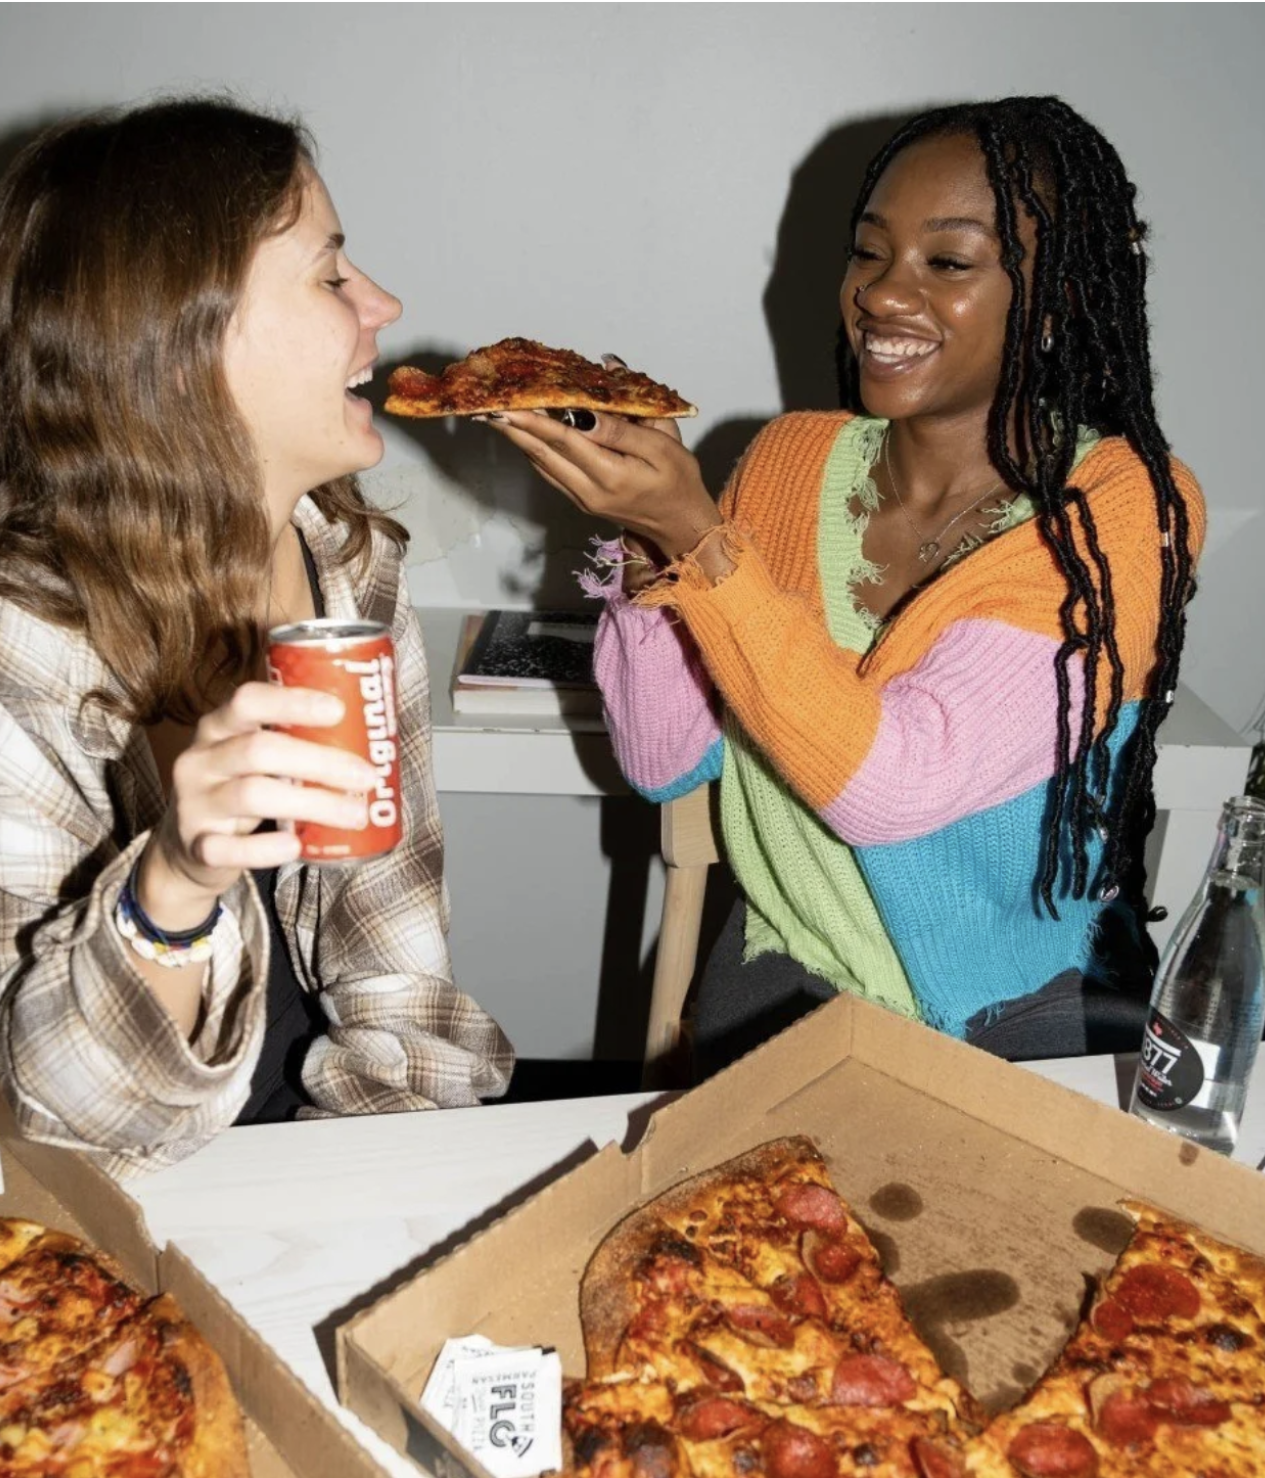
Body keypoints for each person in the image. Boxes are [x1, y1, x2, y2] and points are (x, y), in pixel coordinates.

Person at [0, 98, 513, 1175]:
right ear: (183, 344)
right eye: (331, 273)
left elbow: (397, 971)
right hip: (90, 1218)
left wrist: (369, 1192)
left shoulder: (349, 568)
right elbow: (33, 1136)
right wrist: (177, 889)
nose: (382, 303)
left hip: (304, 1156)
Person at [485, 97, 1205, 1075]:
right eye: (869, 254)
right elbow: (665, 757)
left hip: (1027, 997)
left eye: (947, 263)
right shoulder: (787, 460)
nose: (883, 294)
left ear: (1063, 297)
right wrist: (655, 538)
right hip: (796, 964)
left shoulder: (1123, 509)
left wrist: (698, 535)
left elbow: (896, 786)